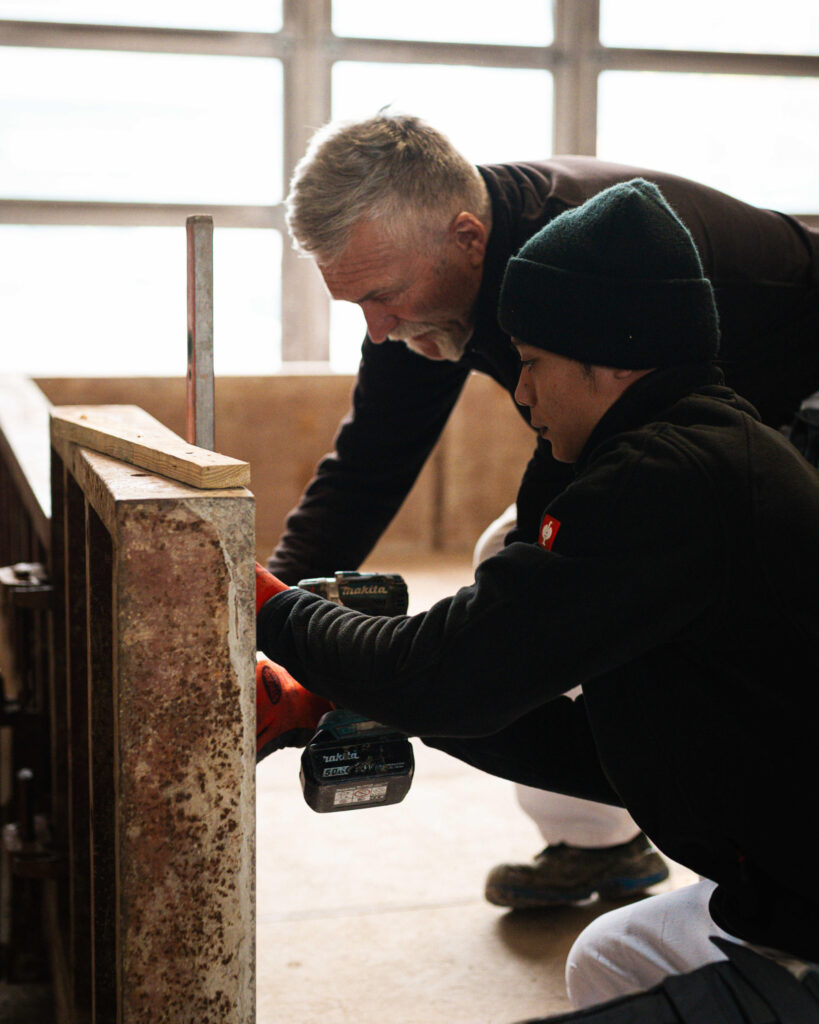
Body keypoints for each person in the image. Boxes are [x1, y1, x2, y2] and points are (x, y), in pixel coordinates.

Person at [255, 178, 819, 1015]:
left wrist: (259, 597)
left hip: (800, 906)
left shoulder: (667, 483)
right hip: (772, 876)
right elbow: (603, 748)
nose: (518, 394)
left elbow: (442, 673)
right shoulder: (678, 442)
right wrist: (344, 691)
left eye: (530, 365)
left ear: (607, 357)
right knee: (614, 953)